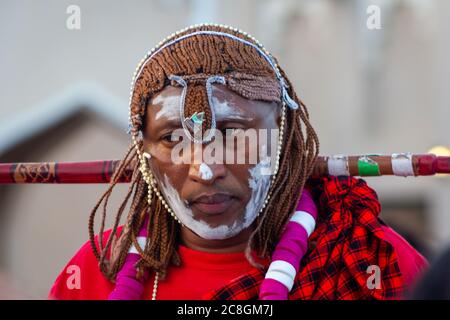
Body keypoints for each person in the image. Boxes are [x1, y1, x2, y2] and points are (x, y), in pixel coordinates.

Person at [49, 24, 427, 300]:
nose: (206, 169)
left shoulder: (369, 259)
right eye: (173, 139)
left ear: (280, 133)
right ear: (144, 152)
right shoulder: (97, 272)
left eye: (232, 134)